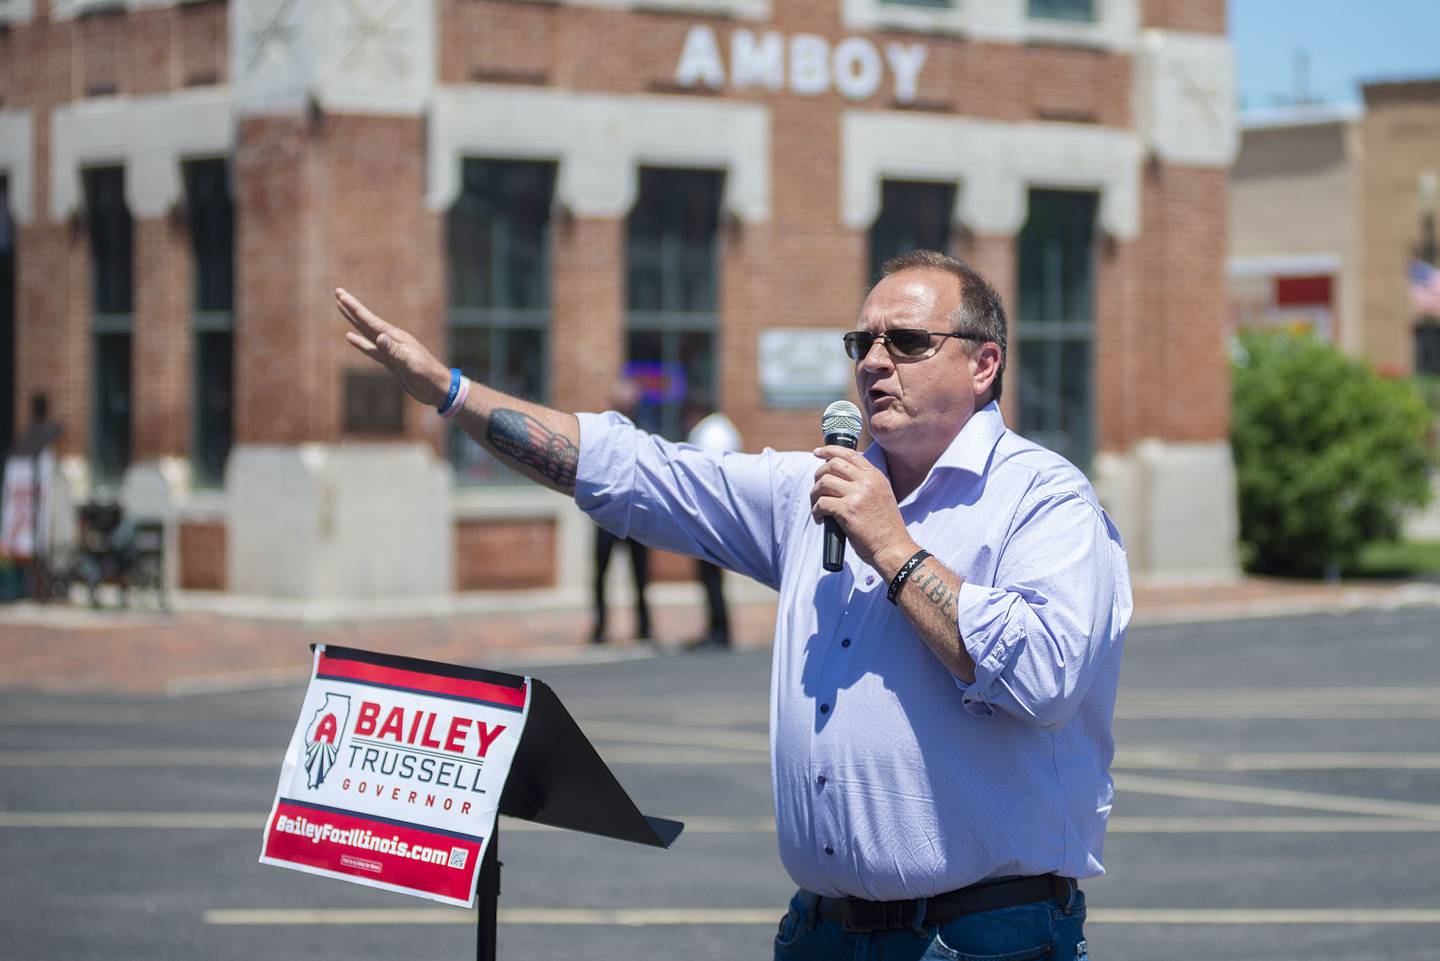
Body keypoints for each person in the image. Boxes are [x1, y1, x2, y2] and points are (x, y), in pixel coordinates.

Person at [338, 249, 1129, 960]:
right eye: (863, 344)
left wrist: (891, 545)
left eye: (908, 342)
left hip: (982, 938)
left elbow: (1046, 678)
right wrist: (451, 392)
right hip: (822, 929)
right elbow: (637, 471)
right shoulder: (814, 490)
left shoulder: (1043, 498)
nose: (876, 363)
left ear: (983, 363)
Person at [589, 376, 652, 644]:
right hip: (607, 515)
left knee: (640, 575)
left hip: (635, 514)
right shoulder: (603, 433)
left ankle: (644, 625)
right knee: (600, 573)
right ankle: (600, 625)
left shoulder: (644, 433)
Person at [683, 400, 742, 650]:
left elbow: (699, 475)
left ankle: (718, 631)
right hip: (725, 515)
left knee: (710, 577)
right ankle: (720, 629)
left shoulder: (705, 432)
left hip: (709, 517)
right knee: (714, 578)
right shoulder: (725, 428)